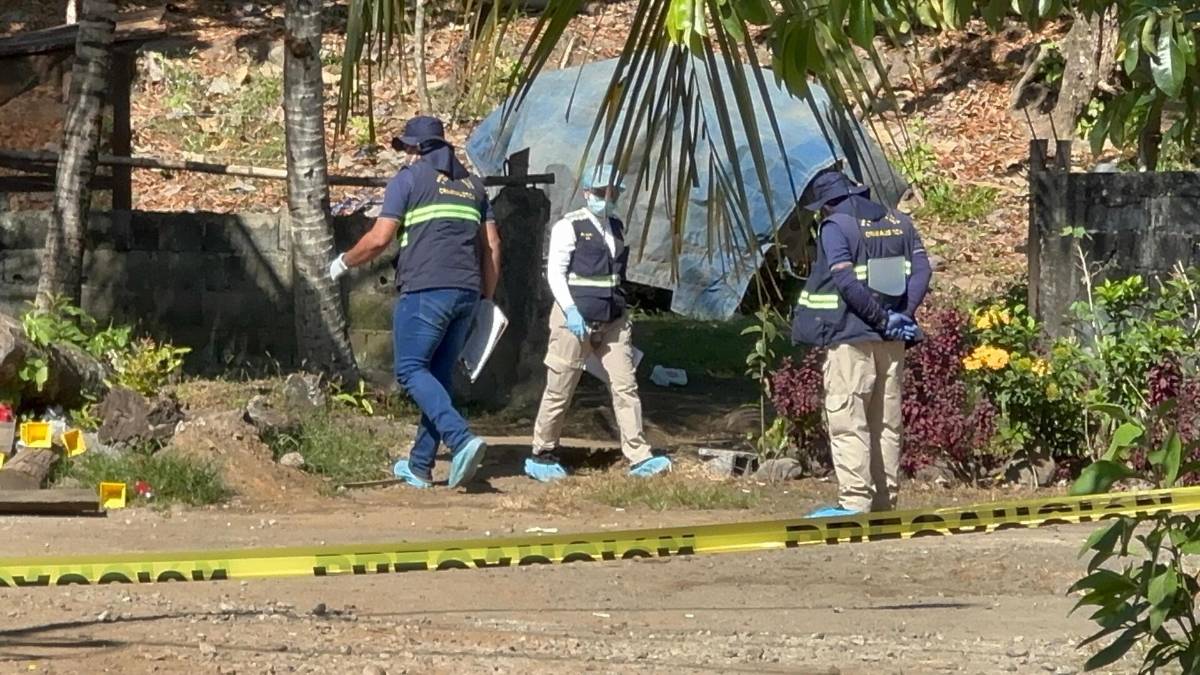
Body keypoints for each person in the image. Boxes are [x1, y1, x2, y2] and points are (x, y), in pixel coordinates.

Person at [329, 115, 501, 489]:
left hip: (426, 290)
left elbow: (379, 238)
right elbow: (492, 246)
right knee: (437, 376)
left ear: (418, 148)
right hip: (467, 294)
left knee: (409, 370)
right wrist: (486, 299)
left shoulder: (408, 180)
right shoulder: (473, 186)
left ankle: (460, 439)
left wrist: (343, 262)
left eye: (407, 147)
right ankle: (420, 466)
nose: (404, 154)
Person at [791, 169, 932, 517]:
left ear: (827, 204)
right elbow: (922, 270)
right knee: (886, 423)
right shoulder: (899, 222)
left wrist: (880, 319)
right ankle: (884, 504)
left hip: (850, 340)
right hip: (893, 340)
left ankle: (854, 503)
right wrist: (903, 316)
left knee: (849, 419)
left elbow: (846, 282)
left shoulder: (836, 226)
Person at [524, 165, 672, 482]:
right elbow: (555, 274)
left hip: (613, 319)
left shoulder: (615, 226)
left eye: (613, 192)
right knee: (560, 387)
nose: (608, 197)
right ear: (587, 192)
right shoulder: (570, 226)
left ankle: (639, 454)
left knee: (625, 386)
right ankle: (542, 451)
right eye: (602, 191)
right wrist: (570, 310)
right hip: (574, 319)